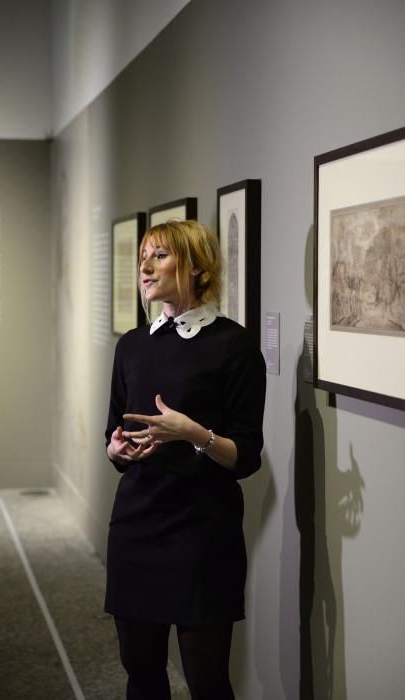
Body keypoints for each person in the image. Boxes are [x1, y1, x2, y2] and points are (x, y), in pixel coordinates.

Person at [105, 219, 266, 700]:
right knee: (141, 671)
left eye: (159, 256)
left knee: (207, 679)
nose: (145, 267)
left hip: (202, 532)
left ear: (196, 268)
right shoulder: (132, 346)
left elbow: (247, 456)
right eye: (142, 258)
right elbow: (113, 435)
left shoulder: (233, 346)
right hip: (136, 524)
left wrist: (193, 433)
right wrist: (118, 450)